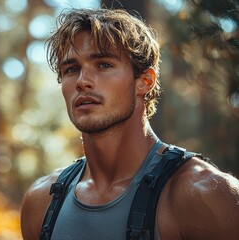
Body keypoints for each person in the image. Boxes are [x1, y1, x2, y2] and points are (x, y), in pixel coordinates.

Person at [20, 8, 239, 240]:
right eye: (72, 69)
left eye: (103, 65)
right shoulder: (41, 201)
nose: (83, 81)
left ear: (145, 81)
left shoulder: (205, 195)